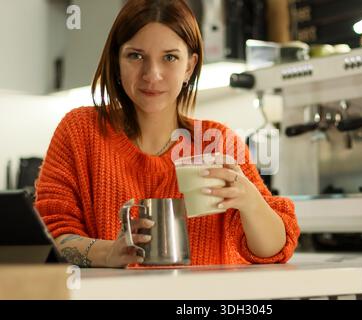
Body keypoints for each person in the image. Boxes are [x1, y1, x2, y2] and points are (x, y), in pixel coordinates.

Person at [35, 0, 300, 268]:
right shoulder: (81, 131)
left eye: (170, 57)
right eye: (135, 55)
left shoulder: (217, 143)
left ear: (189, 65)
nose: (152, 74)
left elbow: (274, 252)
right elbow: (48, 238)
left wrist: (250, 202)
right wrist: (109, 252)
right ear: (117, 60)